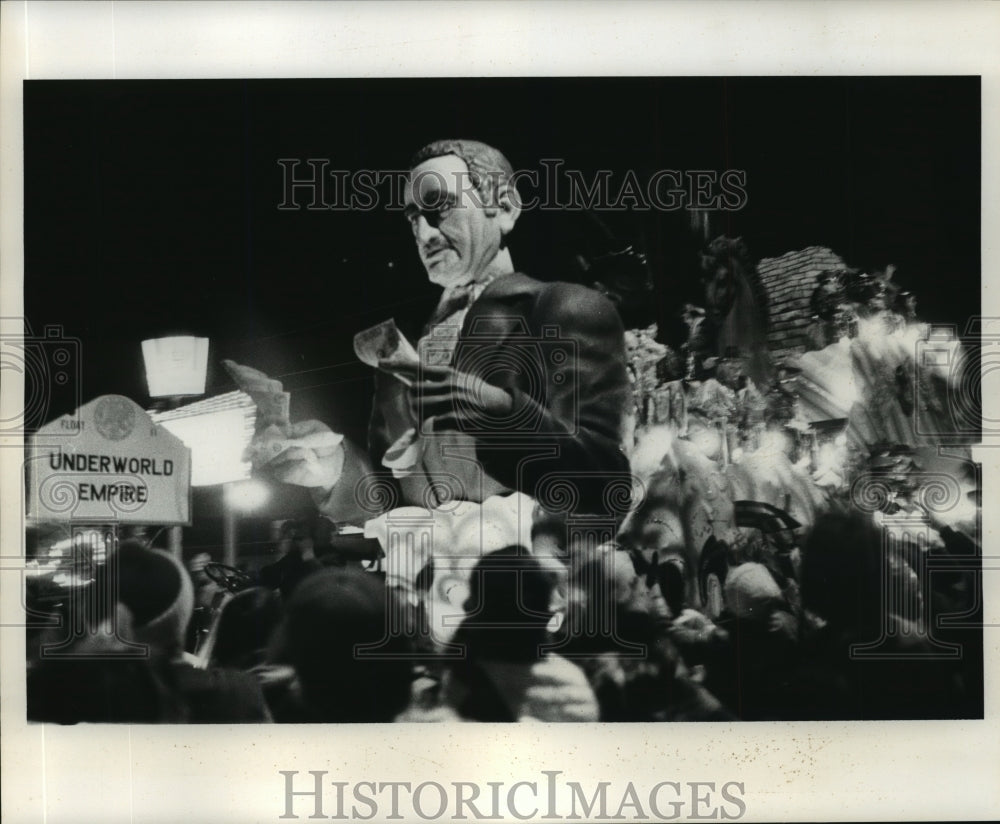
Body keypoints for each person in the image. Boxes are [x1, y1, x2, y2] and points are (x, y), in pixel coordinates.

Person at [264, 139, 632, 540]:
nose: (424, 233)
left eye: (440, 207)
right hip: (431, 589)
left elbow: (603, 482)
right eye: (412, 219)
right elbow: (387, 498)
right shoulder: (403, 351)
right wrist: (332, 468)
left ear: (505, 208)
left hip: (537, 582)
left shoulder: (564, 309)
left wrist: (501, 411)